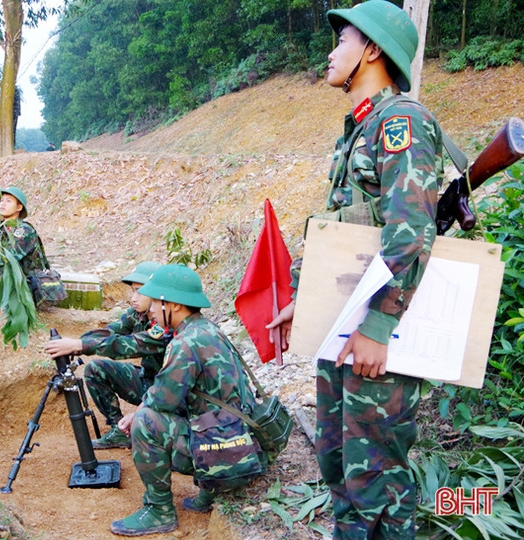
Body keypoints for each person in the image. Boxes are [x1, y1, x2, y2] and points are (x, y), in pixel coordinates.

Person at [267, 2, 444, 538]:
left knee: (378, 485)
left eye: (340, 40)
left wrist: (377, 324)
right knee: (339, 465)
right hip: (344, 328)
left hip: (374, 336)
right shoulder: (360, 131)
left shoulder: (402, 123)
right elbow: (349, 235)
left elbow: (410, 231)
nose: (329, 52)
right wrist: (310, 297)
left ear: (371, 49)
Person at [110, 264, 265, 536]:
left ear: (175, 306)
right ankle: (209, 491)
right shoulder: (207, 329)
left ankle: (160, 511)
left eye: (157, 304)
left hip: (230, 457)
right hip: (245, 444)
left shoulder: (185, 343)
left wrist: (136, 415)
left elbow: (161, 401)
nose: (153, 311)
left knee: (146, 422)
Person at [43, 261, 167, 449]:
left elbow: (128, 345)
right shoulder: (137, 314)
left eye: (140, 291)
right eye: (133, 291)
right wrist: (78, 345)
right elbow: (110, 332)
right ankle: (120, 429)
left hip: (168, 393)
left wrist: (80, 345)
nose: (134, 298)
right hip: (149, 382)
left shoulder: (164, 325)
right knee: (95, 369)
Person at [0, 186, 52, 303]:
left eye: (8, 201)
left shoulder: (24, 231)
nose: (2, 204)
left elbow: (6, 259)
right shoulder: (1, 228)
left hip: (29, 285)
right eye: (1, 200)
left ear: (19, 207)